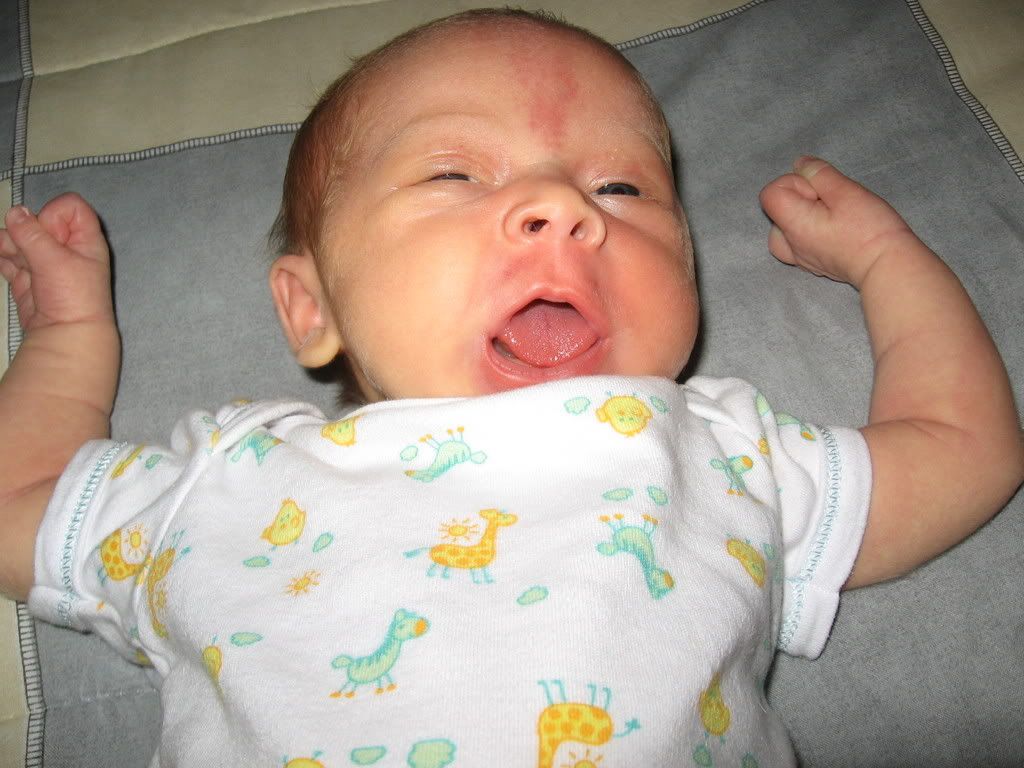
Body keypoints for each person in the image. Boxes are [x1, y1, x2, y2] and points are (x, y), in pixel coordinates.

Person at [1, 8, 1020, 767]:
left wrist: (888, 261)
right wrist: (70, 334)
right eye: (454, 174)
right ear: (311, 308)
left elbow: (963, 448)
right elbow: (18, 503)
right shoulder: (229, 480)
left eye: (619, 186)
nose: (558, 206)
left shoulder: (716, 453)